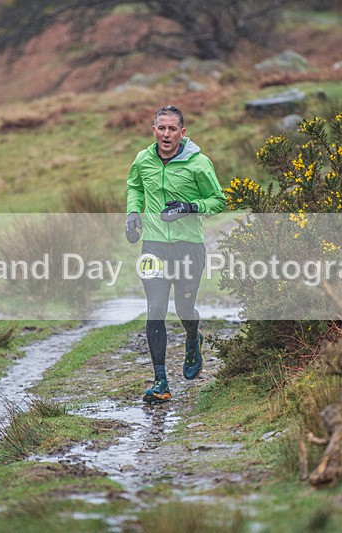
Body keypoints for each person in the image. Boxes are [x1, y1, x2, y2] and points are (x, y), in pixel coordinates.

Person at [125, 105, 226, 404]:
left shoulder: (198, 163)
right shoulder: (143, 160)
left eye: (172, 129)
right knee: (155, 308)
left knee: (184, 310)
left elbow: (218, 200)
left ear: (182, 132)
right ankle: (160, 381)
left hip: (188, 247)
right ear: (154, 130)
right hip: (154, 246)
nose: (166, 134)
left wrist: (190, 207)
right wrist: (133, 213)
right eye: (162, 128)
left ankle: (193, 338)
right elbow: (135, 187)